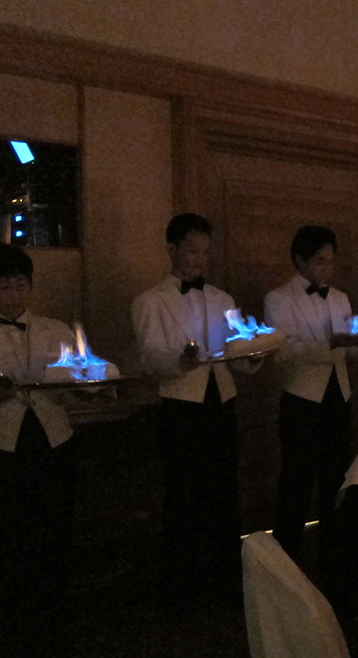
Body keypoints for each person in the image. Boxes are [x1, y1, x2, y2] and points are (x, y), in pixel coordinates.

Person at [131, 213, 258, 606]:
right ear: (172, 250)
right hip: (182, 406)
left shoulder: (223, 299)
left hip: (222, 400)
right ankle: (181, 589)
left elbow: (236, 352)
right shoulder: (150, 300)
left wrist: (254, 354)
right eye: (192, 250)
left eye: (205, 252)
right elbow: (151, 357)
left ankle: (224, 584)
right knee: (183, 497)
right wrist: (178, 359)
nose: (200, 259)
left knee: (223, 493)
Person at [264, 224, 358, 562]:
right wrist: (333, 343)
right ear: (299, 260)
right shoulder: (279, 298)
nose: (326, 269)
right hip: (301, 400)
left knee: (336, 478)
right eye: (319, 262)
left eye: (330, 262)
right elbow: (285, 351)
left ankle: (334, 555)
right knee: (296, 482)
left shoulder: (341, 298)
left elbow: (350, 348)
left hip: (338, 397)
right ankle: (285, 559)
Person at [0, 244, 78, 658]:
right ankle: (12, 624)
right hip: (1, 445)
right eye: (3, 285)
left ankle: (53, 619)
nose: (13, 293)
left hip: (52, 440)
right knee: (8, 534)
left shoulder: (55, 329)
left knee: (52, 531)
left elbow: (74, 381)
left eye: (20, 284)